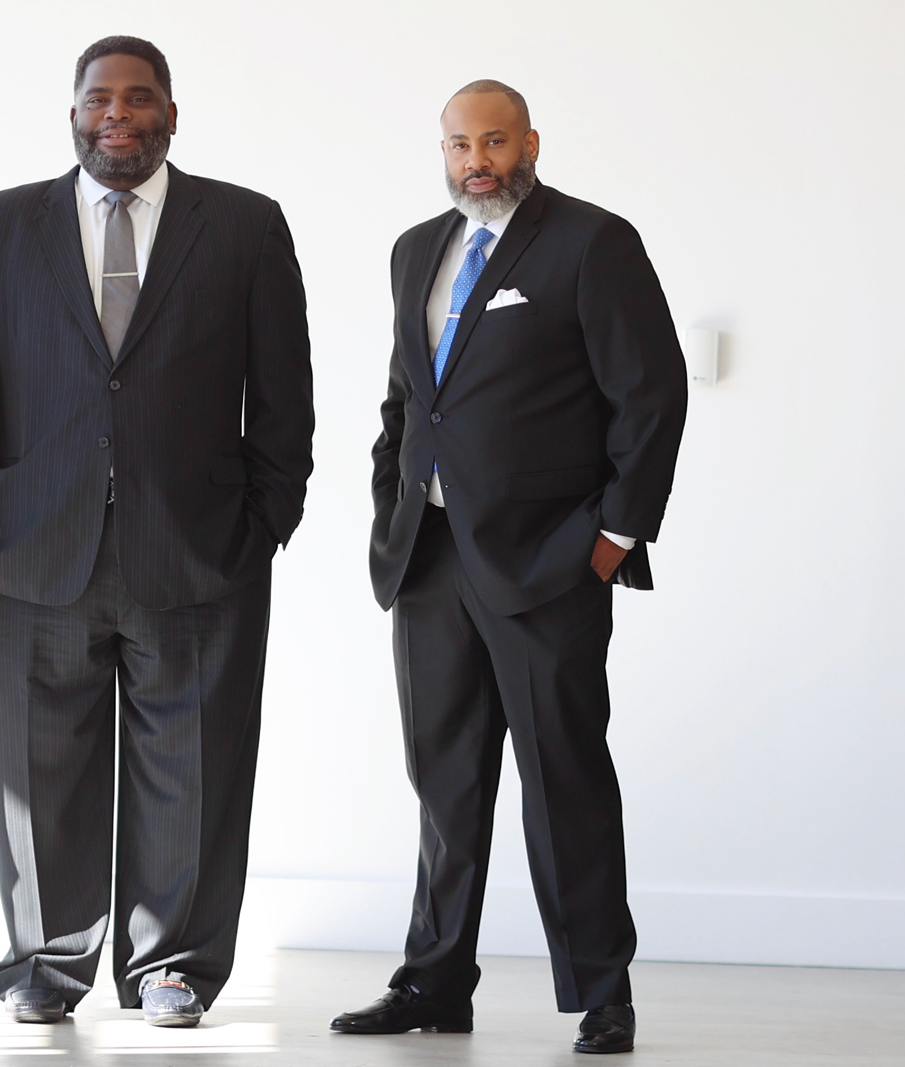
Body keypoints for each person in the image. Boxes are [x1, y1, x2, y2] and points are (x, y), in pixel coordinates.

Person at [0, 35, 313, 1030]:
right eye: (99, 97)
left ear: (171, 115)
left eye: (139, 97)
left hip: (199, 550)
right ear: (71, 114)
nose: (118, 113)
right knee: (34, 772)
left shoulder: (243, 225)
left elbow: (284, 395)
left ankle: (173, 965)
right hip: (28, 551)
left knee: (193, 769)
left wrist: (261, 525)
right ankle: (43, 961)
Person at [335, 80, 687, 1054]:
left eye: (493, 141)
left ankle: (601, 991)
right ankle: (434, 980)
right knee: (443, 782)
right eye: (458, 144)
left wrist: (615, 535)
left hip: (548, 560)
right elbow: (409, 399)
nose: (475, 161)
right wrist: (392, 508)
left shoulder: (591, 242)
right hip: (429, 557)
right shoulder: (417, 248)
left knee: (563, 775)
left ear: (529, 142)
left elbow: (650, 394)